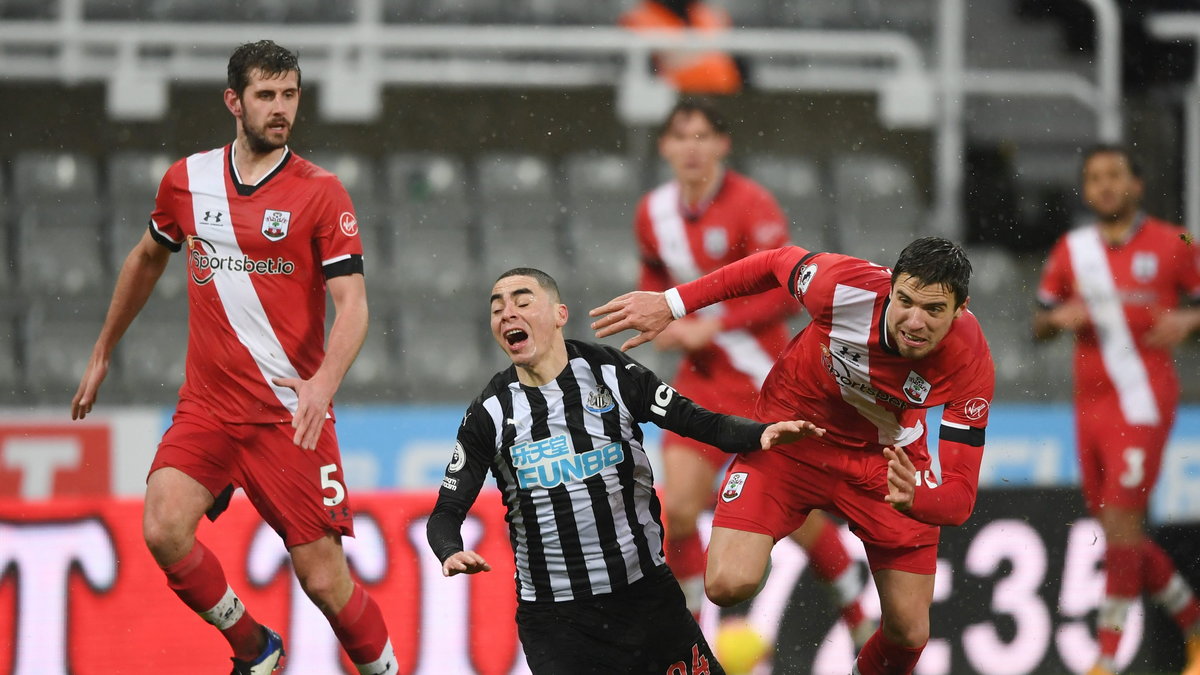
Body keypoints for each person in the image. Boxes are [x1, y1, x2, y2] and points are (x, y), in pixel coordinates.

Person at [70, 40, 395, 675]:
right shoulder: (185, 180)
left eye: (290, 95)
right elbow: (145, 258)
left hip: (288, 416)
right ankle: (256, 649)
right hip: (210, 410)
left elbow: (353, 305)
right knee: (163, 528)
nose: (281, 109)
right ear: (233, 101)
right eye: (266, 96)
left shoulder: (322, 194)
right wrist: (103, 350)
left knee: (325, 583)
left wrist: (324, 382)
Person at [591, 237, 995, 675]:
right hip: (791, 439)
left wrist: (914, 497)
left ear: (960, 309)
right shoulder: (842, 285)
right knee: (726, 583)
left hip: (887, 465)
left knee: (909, 634)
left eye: (934, 310)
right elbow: (772, 263)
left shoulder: (970, 361)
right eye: (905, 301)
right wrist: (672, 303)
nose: (915, 321)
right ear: (891, 286)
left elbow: (959, 497)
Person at [425, 267, 825, 674]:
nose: (507, 313)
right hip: (557, 622)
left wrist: (761, 433)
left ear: (560, 314)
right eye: (497, 309)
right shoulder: (489, 413)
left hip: (646, 598)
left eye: (523, 302)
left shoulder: (611, 373)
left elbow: (698, 422)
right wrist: (449, 549)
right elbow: (446, 510)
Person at [636, 97, 872, 644]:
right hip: (700, 379)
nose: (692, 148)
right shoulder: (653, 213)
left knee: (799, 518)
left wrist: (710, 326)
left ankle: (859, 617)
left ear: (723, 144)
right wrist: (662, 317)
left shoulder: (752, 204)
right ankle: (691, 638)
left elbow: (787, 292)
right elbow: (652, 272)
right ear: (665, 147)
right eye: (681, 136)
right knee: (680, 512)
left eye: (703, 136)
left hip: (764, 379)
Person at [1032, 145, 1200, 675]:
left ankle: (1106, 658)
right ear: (1086, 190)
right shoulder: (1070, 248)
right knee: (1119, 531)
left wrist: (1189, 323)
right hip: (1091, 408)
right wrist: (1059, 319)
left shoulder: (1179, 239)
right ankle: (1194, 623)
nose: (1104, 186)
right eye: (1094, 178)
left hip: (1143, 401)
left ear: (1137, 185)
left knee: (1123, 524)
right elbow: (1036, 324)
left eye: (1114, 175)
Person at [619, 0, 743, 95]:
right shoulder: (639, 17)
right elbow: (668, 58)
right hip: (675, 99)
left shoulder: (708, 13)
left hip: (727, 97)